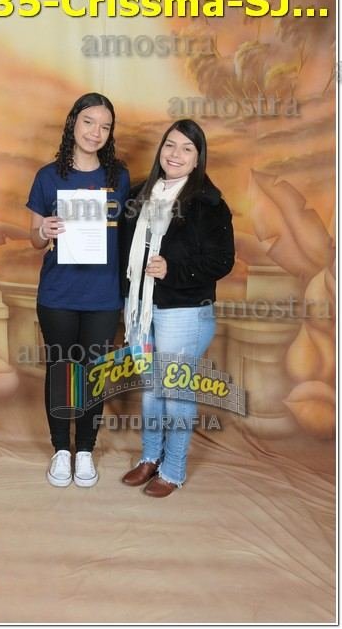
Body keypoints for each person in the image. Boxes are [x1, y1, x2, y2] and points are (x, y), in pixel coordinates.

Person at [120, 119, 234, 497]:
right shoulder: (138, 197)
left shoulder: (209, 203)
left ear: (198, 158)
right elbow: (120, 250)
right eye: (170, 145)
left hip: (183, 311)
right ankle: (150, 457)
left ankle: (173, 469)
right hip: (140, 308)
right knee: (152, 389)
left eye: (187, 148)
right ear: (161, 149)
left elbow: (222, 260)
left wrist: (173, 269)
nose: (176, 154)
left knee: (175, 392)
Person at [26, 93, 130, 488]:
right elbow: (35, 240)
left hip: (103, 295)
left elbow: (128, 235)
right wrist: (44, 229)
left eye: (105, 126)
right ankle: (61, 449)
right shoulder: (47, 176)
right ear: (73, 123)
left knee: (93, 374)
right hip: (58, 293)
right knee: (61, 370)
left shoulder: (118, 178)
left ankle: (85, 449)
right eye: (89, 122)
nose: (95, 132)